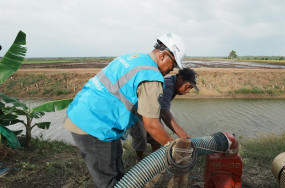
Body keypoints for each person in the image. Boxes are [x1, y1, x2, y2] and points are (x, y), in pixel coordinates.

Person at [64, 33, 188, 187]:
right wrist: (175, 148)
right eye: (173, 65)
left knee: (118, 171)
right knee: (108, 181)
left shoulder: (132, 57)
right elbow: (152, 125)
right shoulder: (151, 76)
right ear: (163, 56)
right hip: (95, 126)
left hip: (83, 113)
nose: (171, 70)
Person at [130, 68, 198, 162]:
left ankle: (156, 159)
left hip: (152, 110)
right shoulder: (168, 85)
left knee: (157, 135)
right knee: (140, 136)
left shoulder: (174, 84)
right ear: (180, 78)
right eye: (188, 87)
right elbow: (164, 112)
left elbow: (161, 108)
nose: (187, 91)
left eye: (190, 88)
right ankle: (139, 160)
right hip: (138, 110)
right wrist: (183, 136)